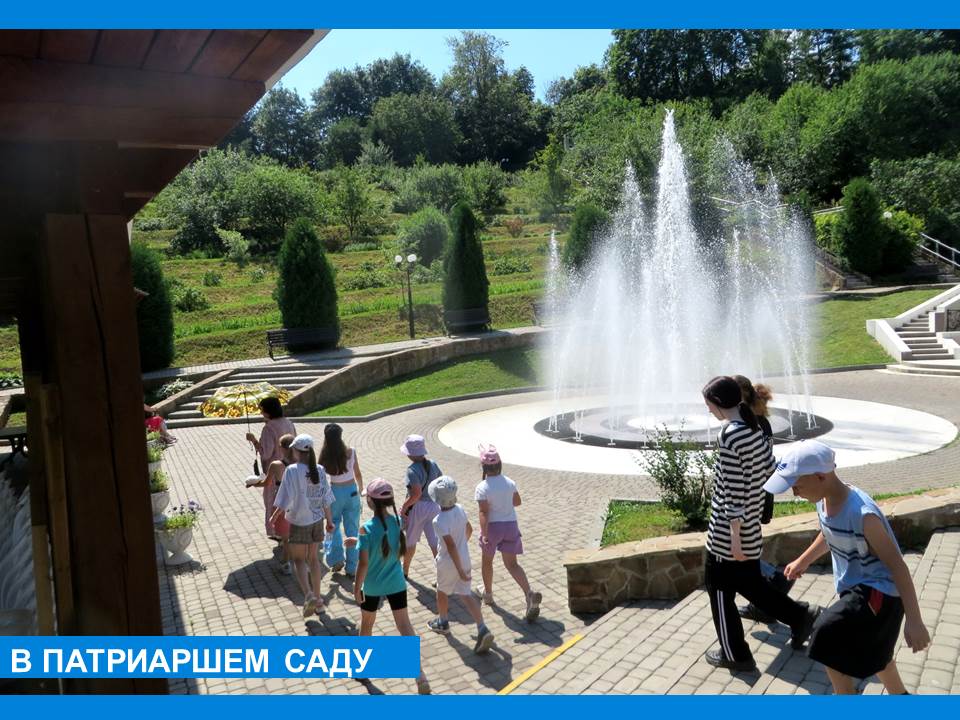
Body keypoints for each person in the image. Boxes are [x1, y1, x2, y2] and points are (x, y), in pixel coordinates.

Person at [765, 440, 930, 695]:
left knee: (826, 634)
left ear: (821, 476)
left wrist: (915, 621)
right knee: (876, 654)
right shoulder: (823, 500)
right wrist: (803, 560)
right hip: (854, 588)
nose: (794, 493)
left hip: (879, 594)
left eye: (797, 486)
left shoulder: (863, 514)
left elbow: (898, 567)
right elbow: (829, 533)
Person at [701, 375, 820, 671]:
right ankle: (800, 617)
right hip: (750, 526)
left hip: (728, 534)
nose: (707, 410)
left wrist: (735, 539)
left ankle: (735, 654)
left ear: (718, 403)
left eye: (708, 404)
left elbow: (733, 492)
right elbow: (769, 471)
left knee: (719, 590)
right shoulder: (753, 427)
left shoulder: (730, 435)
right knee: (751, 585)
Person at [350, 478, 431, 695]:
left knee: (367, 625)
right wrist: (355, 540)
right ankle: (419, 674)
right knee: (405, 626)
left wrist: (357, 588)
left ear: (370, 502)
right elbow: (384, 540)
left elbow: (363, 563)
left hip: (372, 587)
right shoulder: (397, 522)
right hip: (396, 583)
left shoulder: (365, 529)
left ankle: (362, 669)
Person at [732, 375, 795, 623]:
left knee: (742, 551)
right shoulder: (761, 422)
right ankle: (765, 605)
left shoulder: (749, 425)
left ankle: (774, 579)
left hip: (750, 494)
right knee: (747, 547)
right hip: (761, 491)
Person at [426, 476, 495, 654]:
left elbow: (450, 547)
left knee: (442, 591)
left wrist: (458, 569)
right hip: (464, 559)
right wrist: (462, 546)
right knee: (466, 595)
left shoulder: (438, 521)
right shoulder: (461, 509)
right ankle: (482, 628)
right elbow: (469, 530)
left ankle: (442, 622)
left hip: (448, 563)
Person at [473, 445, 542, 622]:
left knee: (487, 562)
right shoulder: (510, 482)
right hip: (511, 526)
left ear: (483, 467)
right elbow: (517, 502)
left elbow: (483, 512)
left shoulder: (482, 487)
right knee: (512, 564)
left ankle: (488, 594)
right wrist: (504, 500)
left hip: (493, 528)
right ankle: (529, 593)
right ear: (500, 465)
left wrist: (484, 534)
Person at [270, 434, 335, 618]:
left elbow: (286, 496)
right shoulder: (320, 469)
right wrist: (330, 521)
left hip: (299, 521)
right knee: (313, 560)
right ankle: (319, 601)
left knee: (299, 560)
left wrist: (275, 515)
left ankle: (308, 594)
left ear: (296, 451)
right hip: (317, 521)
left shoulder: (291, 470)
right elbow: (326, 497)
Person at [319, 423, 364, 577]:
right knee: (352, 528)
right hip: (351, 491)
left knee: (333, 525)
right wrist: (361, 489)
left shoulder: (325, 455)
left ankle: (336, 559)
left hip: (334, 492)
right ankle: (352, 567)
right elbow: (358, 473)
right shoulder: (351, 452)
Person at [248, 433, 295, 574]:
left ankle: (286, 563)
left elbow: (266, 483)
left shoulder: (276, 465)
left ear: (282, 448)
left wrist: (253, 483)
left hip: (282, 502)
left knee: (286, 537)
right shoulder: (302, 463)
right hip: (298, 501)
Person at [399, 434, 442, 579]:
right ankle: (442, 573)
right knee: (435, 542)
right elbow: (440, 483)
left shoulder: (412, 470)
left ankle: (405, 570)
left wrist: (404, 507)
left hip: (418, 508)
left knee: (410, 541)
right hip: (434, 506)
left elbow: (416, 494)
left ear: (410, 454)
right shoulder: (433, 464)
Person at [246, 397, 295, 477]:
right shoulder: (289, 423)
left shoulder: (268, 428)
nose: (261, 413)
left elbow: (266, 454)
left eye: (262, 410)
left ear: (268, 411)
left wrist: (253, 440)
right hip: (290, 469)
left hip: (275, 473)